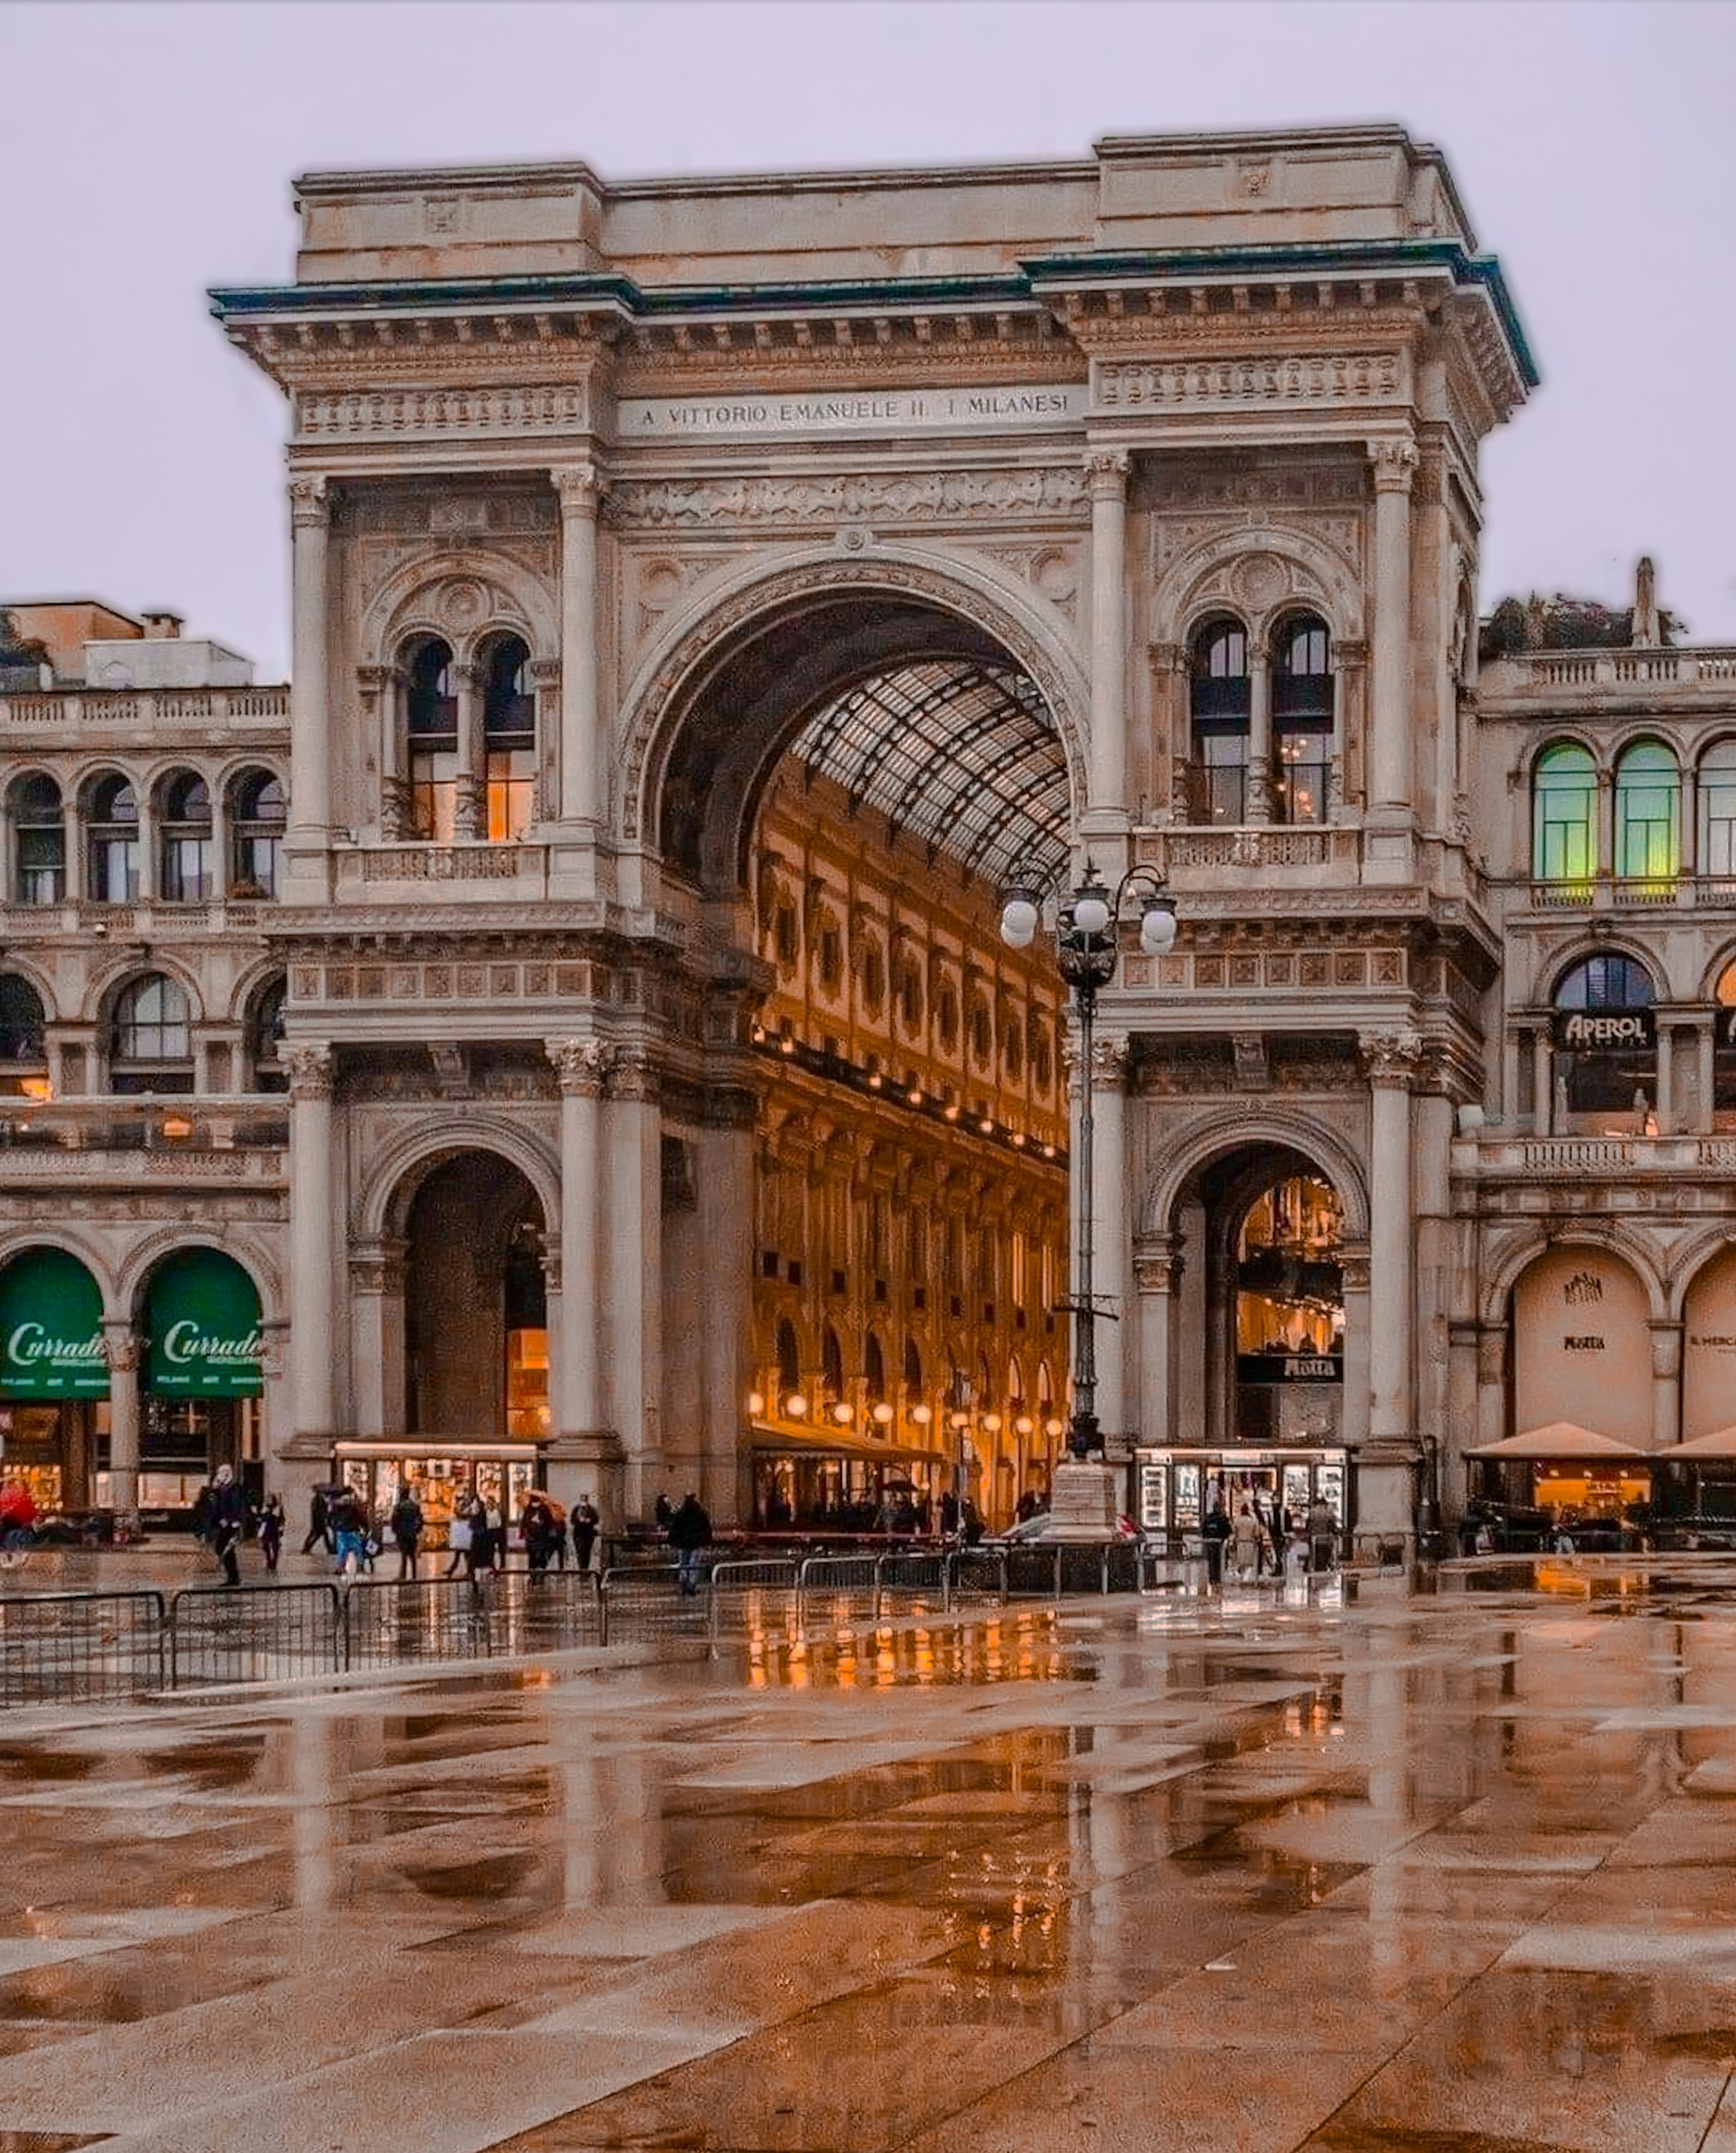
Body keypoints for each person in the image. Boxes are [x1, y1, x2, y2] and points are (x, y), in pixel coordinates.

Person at [203, 1464, 249, 1588]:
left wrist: (234, 1520)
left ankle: (233, 1577)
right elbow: (216, 1505)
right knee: (223, 1549)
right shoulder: (221, 1488)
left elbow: (236, 1505)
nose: (220, 1475)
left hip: (231, 1525)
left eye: (223, 1473)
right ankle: (232, 1576)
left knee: (226, 1549)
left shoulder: (234, 1488)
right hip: (224, 1524)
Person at [666, 1491, 712, 1595]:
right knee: (693, 1564)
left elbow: (675, 1529)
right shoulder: (699, 1513)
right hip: (695, 1542)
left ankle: (684, 1584)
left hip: (684, 1543)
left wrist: (673, 1541)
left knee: (684, 1564)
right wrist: (706, 1540)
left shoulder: (682, 1513)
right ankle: (690, 1585)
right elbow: (706, 1528)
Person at [329, 1485, 367, 1577]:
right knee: (358, 1549)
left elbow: (331, 1518)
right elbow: (361, 1518)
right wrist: (365, 1527)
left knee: (342, 1550)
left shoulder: (337, 1506)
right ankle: (360, 1566)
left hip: (342, 1531)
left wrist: (335, 1526)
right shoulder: (354, 1506)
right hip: (352, 1531)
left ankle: (340, 1567)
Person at [390, 1487, 424, 1579]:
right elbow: (420, 1519)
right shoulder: (415, 1506)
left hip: (402, 1534)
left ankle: (403, 1576)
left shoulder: (399, 1507)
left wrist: (395, 1531)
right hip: (412, 1533)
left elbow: (394, 1520)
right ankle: (414, 1575)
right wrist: (417, 1530)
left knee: (404, 1555)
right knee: (412, 1556)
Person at [1201, 1499, 1231, 1587]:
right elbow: (1228, 1531)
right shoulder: (1223, 1518)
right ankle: (1218, 1578)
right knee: (1219, 1561)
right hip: (1220, 1544)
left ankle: (1212, 1578)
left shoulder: (1209, 1519)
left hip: (1210, 1543)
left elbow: (1204, 1531)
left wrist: (1207, 1539)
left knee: (1211, 1560)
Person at [1231, 1501, 1263, 1582]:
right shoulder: (1253, 1519)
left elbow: (1234, 1531)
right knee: (1249, 1562)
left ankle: (1242, 1577)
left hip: (1240, 1543)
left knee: (1241, 1561)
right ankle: (1247, 1578)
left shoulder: (1238, 1519)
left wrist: (1234, 1540)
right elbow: (1256, 1532)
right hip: (1250, 1542)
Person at [1307, 1495, 1337, 1574]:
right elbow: (1332, 1527)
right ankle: (1324, 1572)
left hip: (1315, 1540)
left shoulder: (1312, 1513)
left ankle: (1317, 1571)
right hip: (1326, 1540)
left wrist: (1309, 1535)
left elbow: (1308, 1526)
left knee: (1316, 1559)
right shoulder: (1328, 1513)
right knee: (1325, 1558)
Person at [300, 1486, 333, 1558]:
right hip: (318, 1522)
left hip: (318, 1522)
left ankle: (306, 1548)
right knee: (318, 1536)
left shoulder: (318, 1500)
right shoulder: (318, 1500)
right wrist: (326, 1507)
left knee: (318, 1536)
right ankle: (306, 1548)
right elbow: (319, 1511)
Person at [258, 1492, 285, 1574]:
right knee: (266, 1546)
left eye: (270, 1499)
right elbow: (262, 1518)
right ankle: (269, 1561)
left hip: (275, 1529)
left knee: (275, 1547)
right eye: (268, 1499)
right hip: (266, 1529)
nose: (269, 1500)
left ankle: (274, 1564)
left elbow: (282, 1518)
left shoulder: (278, 1507)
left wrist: (281, 1527)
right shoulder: (265, 1508)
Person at [571, 1496, 599, 1574]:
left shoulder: (591, 1509)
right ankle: (582, 1567)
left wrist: (589, 1520)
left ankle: (585, 1567)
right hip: (578, 1533)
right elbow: (572, 1520)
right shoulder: (576, 1509)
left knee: (587, 1551)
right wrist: (579, 1520)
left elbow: (596, 1519)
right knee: (580, 1550)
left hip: (588, 1533)